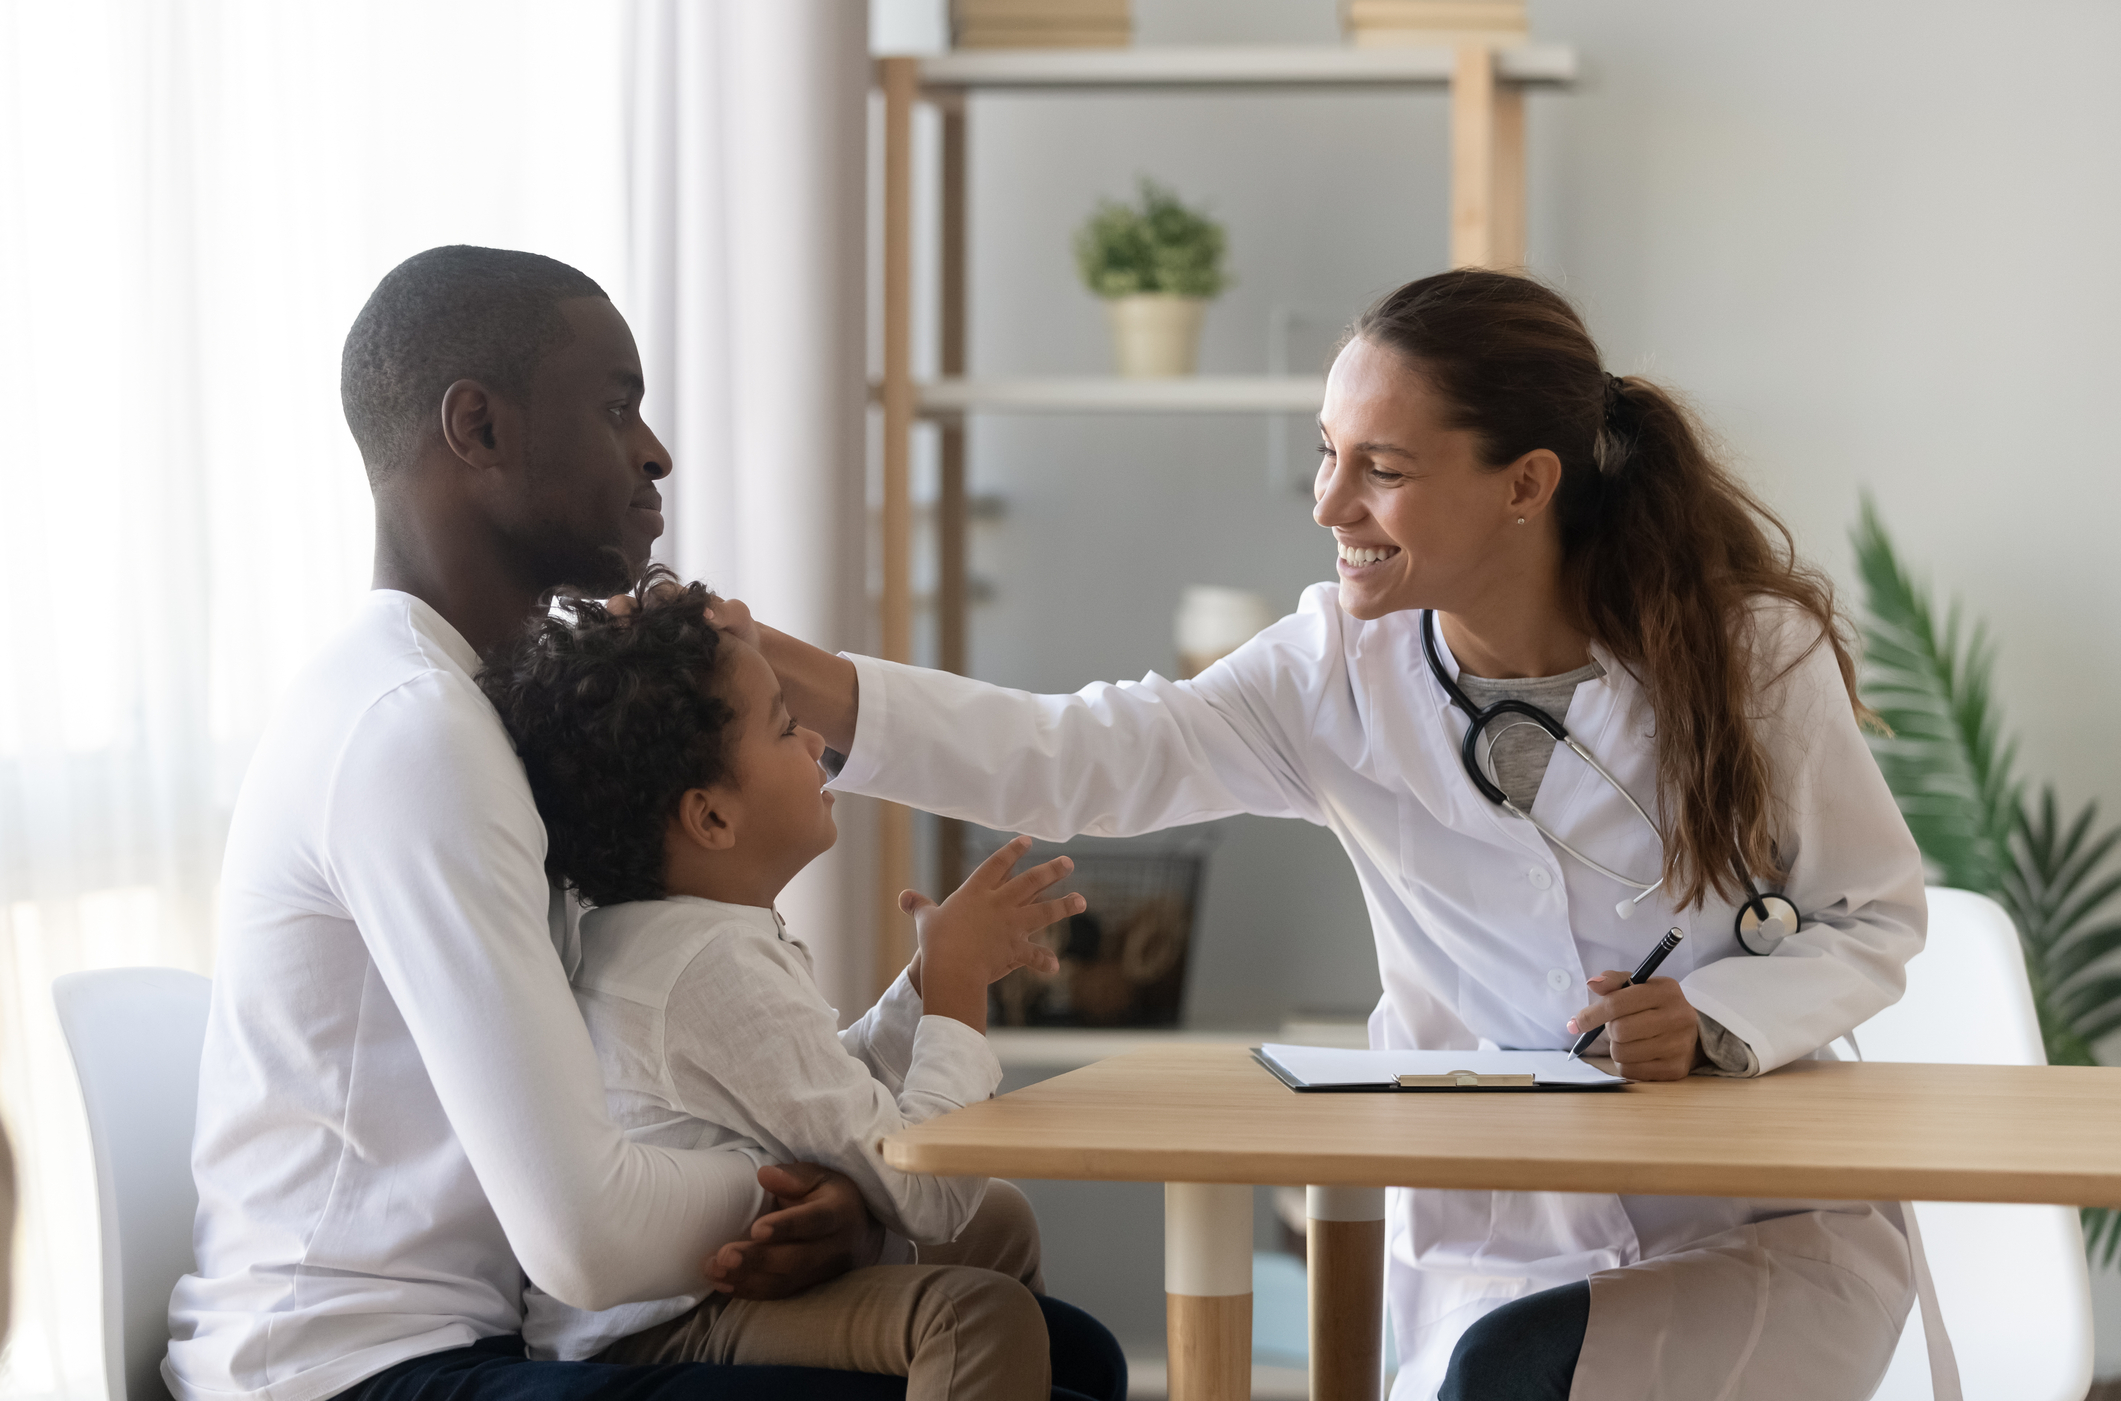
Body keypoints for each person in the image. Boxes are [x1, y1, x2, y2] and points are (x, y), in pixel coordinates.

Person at [734, 269, 1931, 1400]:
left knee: (1516, 1376)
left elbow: (1871, 916)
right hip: (1503, 1242)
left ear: (1526, 484)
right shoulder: (1333, 673)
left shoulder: (1746, 653)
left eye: (1383, 468)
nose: (1328, 504)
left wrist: (1719, 1022)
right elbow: (1071, 756)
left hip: (1763, 1234)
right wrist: (761, 656)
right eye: (1326, 454)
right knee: (1504, 1365)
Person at [168, 247, 965, 1401]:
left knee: (1055, 1354)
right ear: (478, 429)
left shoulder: (490, 708)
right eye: (616, 407)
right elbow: (584, 1233)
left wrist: (837, 1189)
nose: (656, 451)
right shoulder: (412, 730)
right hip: (351, 1371)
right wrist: (816, 1182)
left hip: (496, 1340)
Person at [472, 574, 1117, 1401]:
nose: (816, 743)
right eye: (784, 729)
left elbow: (816, 1097)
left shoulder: (675, 935)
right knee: (975, 1313)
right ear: (711, 819)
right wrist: (957, 993)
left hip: (692, 1300)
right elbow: (927, 1193)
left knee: (1002, 1218)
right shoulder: (708, 966)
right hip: (656, 1331)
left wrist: (921, 987)